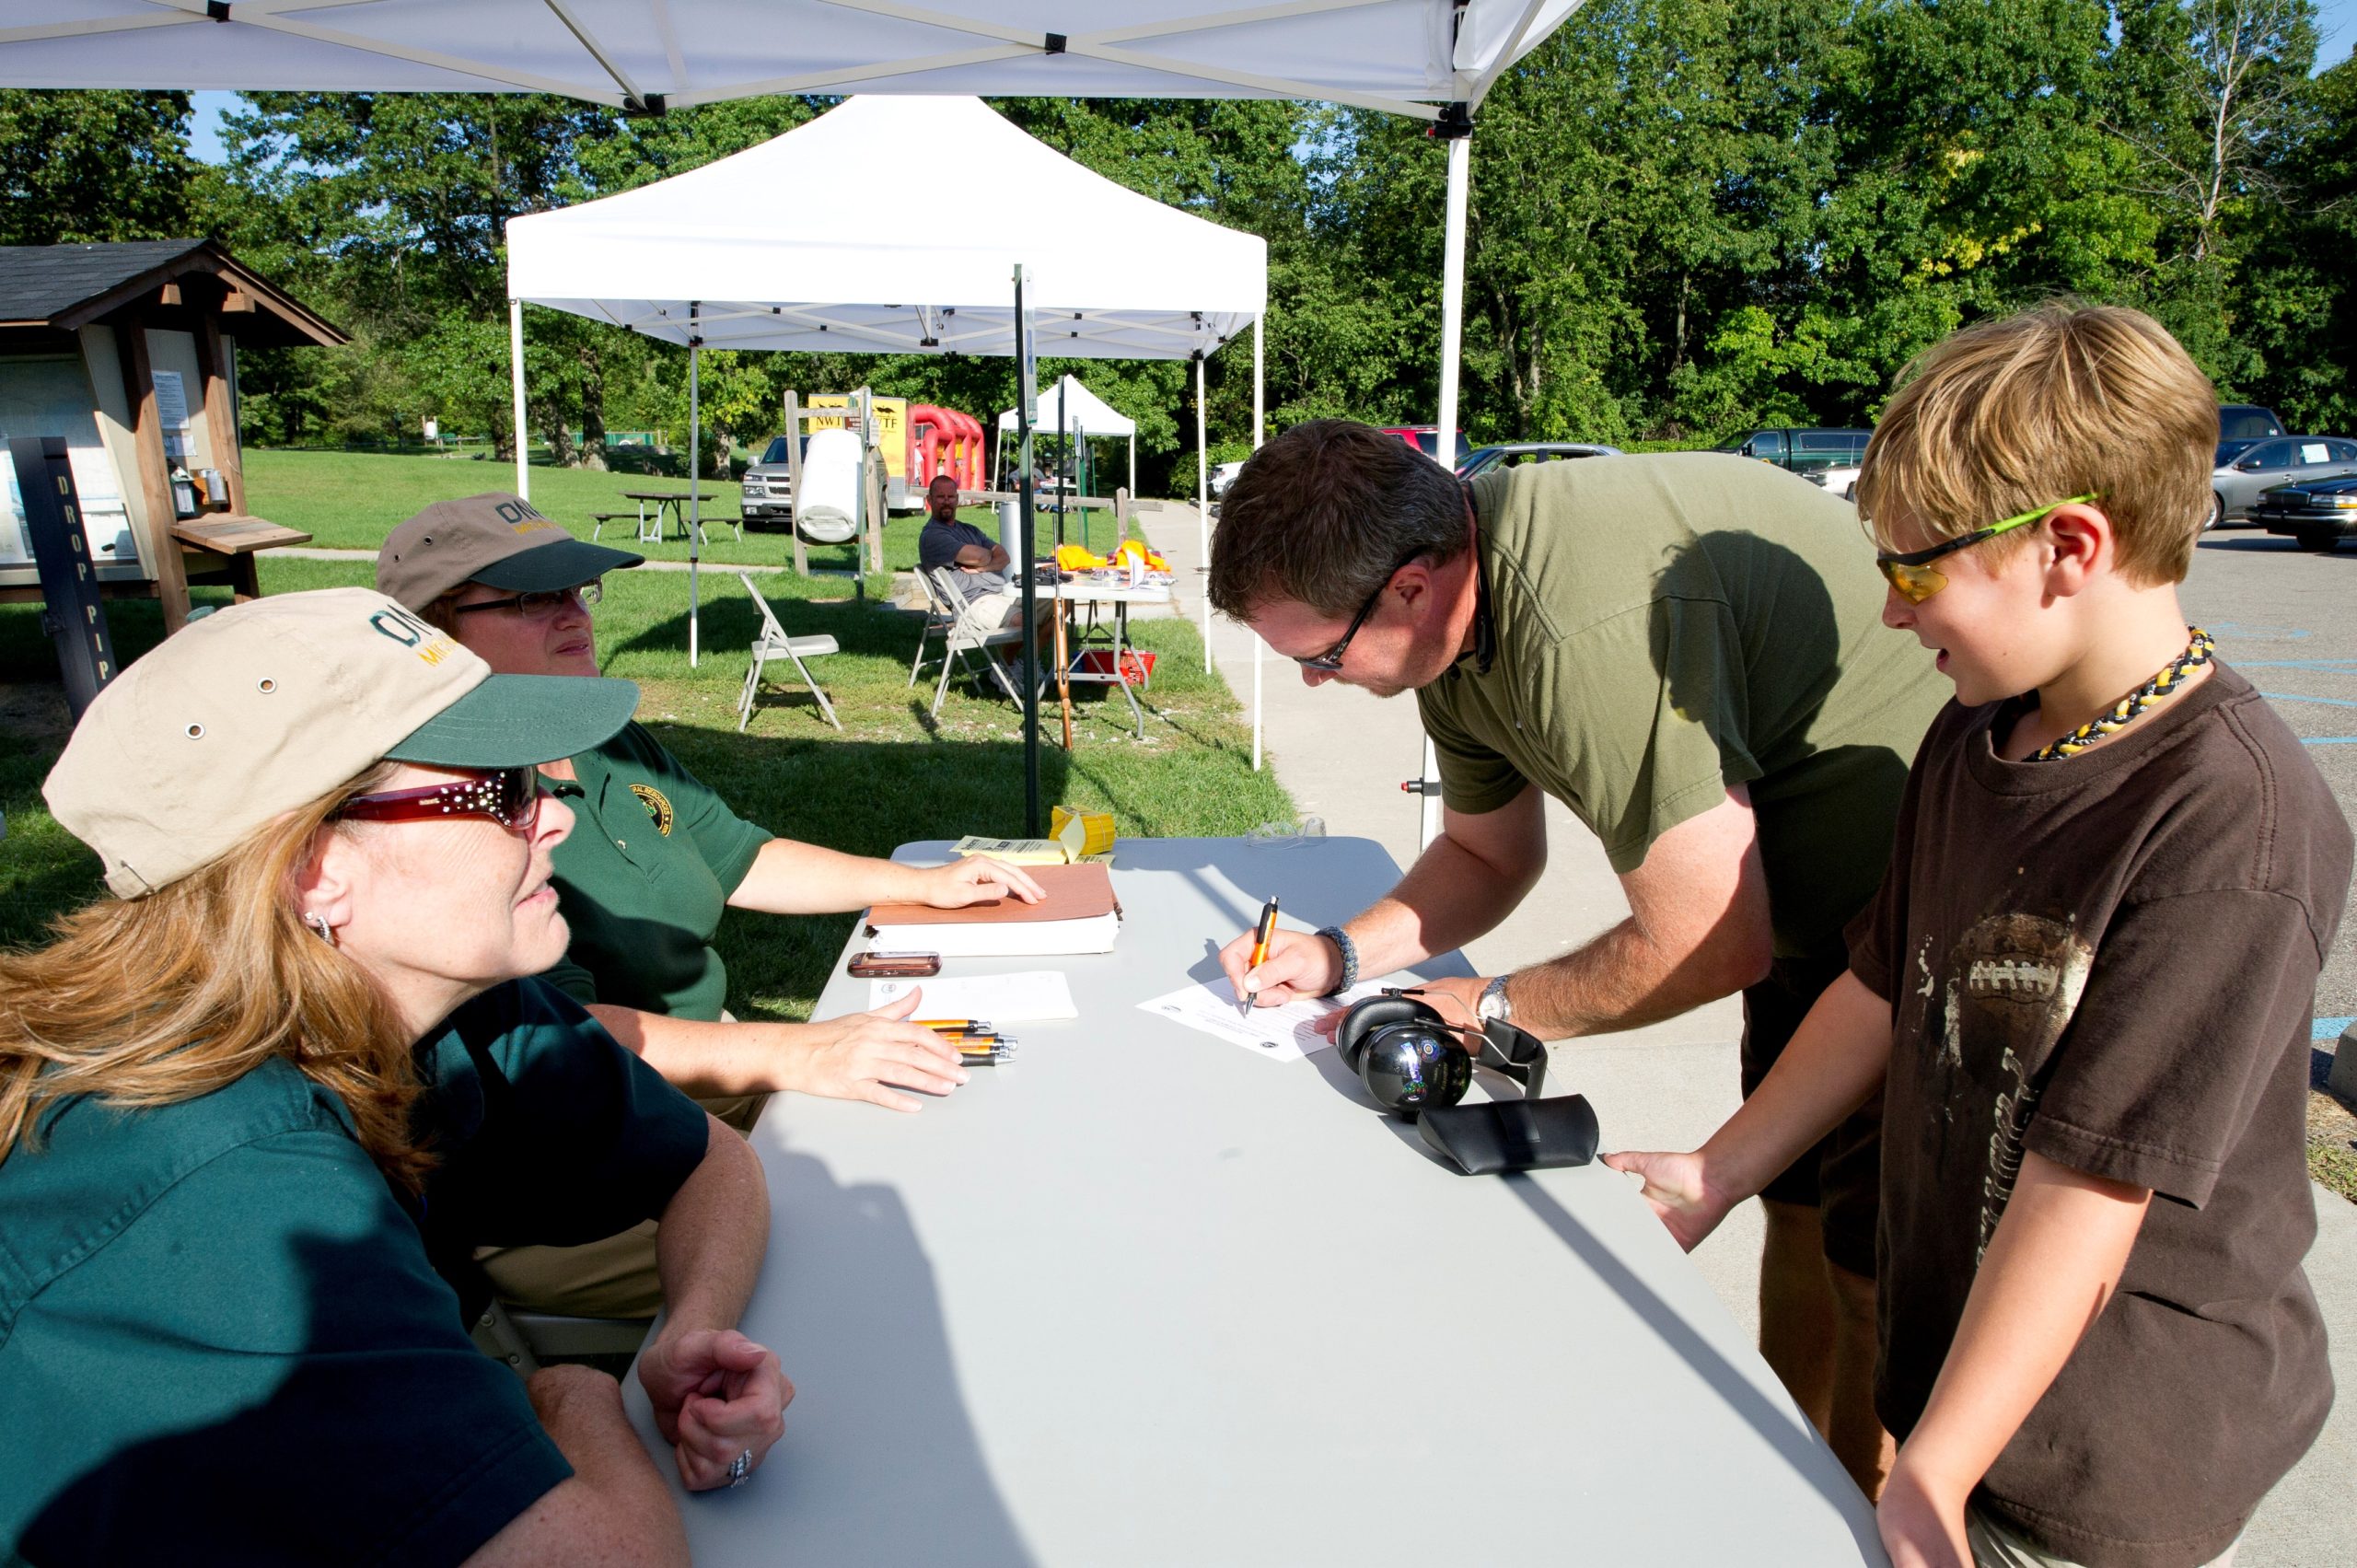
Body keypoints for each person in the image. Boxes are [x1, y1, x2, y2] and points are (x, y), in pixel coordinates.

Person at [1609, 304, 2351, 1568]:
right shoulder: (1980, 727)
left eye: (1913, 569)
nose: (1893, 615)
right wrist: (1721, 1166)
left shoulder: (2235, 823)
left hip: (2108, 1446)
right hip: (1958, 1382)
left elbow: (2091, 1186)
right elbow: (1887, 980)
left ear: (2068, 545)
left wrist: (1934, 1471)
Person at [1210, 419, 1949, 1493]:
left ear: (1411, 587)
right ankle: (1803, 1487)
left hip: (1917, 924)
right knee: (1794, 1207)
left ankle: (1862, 1516)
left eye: (1320, 654)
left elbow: (1704, 936)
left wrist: (1496, 1003)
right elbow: (1484, 852)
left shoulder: (1578, 626)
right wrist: (1335, 955)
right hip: (1809, 926)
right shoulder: (1452, 629)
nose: (1318, 681)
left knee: (1872, 1268)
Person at [2, 588, 793, 1565]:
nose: (553, 818)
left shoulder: (438, 992)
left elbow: (708, 1156)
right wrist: (574, 1388)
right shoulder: (217, 1179)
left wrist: (688, 1327)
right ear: (314, 869)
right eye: (501, 790)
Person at [377, 494, 1040, 1317]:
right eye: (531, 598)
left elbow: (738, 856)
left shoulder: (606, 735)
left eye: (578, 591)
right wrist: (795, 1053)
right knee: (879, 1242)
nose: (573, 612)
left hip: (700, 1087)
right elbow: (564, 1038)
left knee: (952, 1127)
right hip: (577, 1173)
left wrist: (915, 881)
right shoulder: (447, 810)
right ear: (436, 634)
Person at [916, 470, 1051, 628]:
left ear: (957, 499)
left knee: (1055, 607)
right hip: (973, 603)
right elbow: (981, 557)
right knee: (1023, 622)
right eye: (940, 497)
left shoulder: (969, 529)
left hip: (1002, 592)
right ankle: (1013, 653)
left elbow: (1004, 557)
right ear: (929, 500)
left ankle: (1014, 654)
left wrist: (983, 568)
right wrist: (986, 556)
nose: (946, 501)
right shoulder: (933, 536)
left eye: (951, 497)